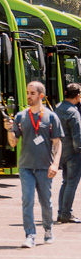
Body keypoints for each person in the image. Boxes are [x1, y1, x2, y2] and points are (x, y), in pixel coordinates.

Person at [5, 81, 63, 247]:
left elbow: (57, 143)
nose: (28, 96)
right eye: (27, 93)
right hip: (26, 166)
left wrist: (55, 164)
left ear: (41, 96)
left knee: (46, 202)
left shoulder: (51, 117)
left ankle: (48, 229)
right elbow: (13, 143)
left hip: (45, 167)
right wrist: (9, 130)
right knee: (27, 200)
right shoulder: (21, 116)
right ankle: (30, 235)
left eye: (32, 93)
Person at [55, 83, 81, 223]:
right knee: (71, 183)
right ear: (78, 95)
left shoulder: (58, 108)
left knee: (65, 182)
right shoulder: (73, 112)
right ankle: (66, 214)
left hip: (61, 151)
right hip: (73, 152)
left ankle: (61, 212)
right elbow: (77, 136)